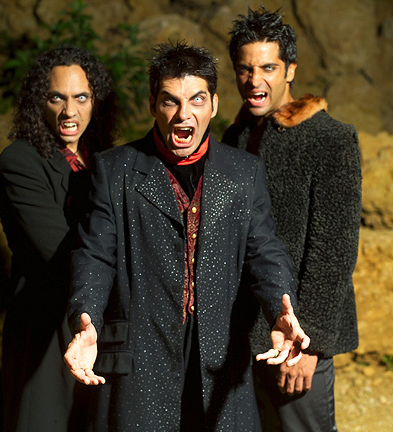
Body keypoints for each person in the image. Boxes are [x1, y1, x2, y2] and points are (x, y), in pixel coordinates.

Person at [64, 41, 310, 432]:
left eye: (196, 99)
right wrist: (86, 317)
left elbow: (264, 250)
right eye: (170, 101)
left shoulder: (244, 171)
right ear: (153, 105)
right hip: (142, 359)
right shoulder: (114, 170)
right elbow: (95, 254)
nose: (184, 114)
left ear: (213, 105)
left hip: (219, 360)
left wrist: (281, 307)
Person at [222, 7, 361, 432]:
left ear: (290, 70)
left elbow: (334, 251)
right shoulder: (234, 138)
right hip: (240, 337)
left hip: (297, 341)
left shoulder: (330, 139)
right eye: (245, 69)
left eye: (268, 67)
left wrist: (310, 343)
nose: (255, 80)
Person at [0, 45, 117, 432]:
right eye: (56, 98)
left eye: (81, 98)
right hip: (44, 327)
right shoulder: (20, 162)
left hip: (97, 325)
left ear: (96, 101)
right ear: (38, 102)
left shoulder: (103, 160)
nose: (69, 111)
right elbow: (60, 252)